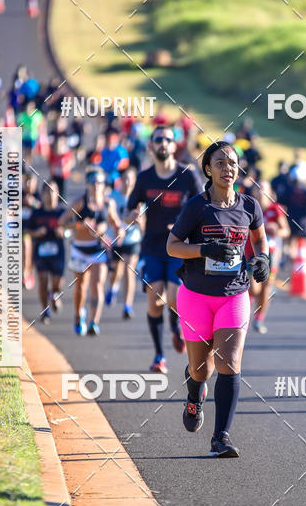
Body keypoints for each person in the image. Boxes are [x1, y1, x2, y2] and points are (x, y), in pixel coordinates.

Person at [167, 141, 269, 457]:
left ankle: (220, 437)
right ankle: (195, 392)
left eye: (233, 163)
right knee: (201, 369)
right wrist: (204, 250)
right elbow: (173, 246)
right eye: (221, 163)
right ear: (208, 169)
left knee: (229, 361)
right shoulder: (197, 207)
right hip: (196, 296)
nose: (228, 168)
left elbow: (260, 240)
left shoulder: (250, 206)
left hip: (234, 296)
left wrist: (263, 260)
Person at [126, 125, 203, 373]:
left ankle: (175, 328)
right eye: (158, 139)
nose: (162, 144)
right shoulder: (144, 177)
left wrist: (186, 225)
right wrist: (133, 216)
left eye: (167, 140)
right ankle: (160, 355)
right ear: (151, 146)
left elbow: (204, 207)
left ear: (174, 145)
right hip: (152, 247)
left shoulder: (188, 175)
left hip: (179, 247)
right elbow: (129, 209)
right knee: (154, 298)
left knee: (173, 297)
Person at [60, 167, 112, 336]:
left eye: (100, 182)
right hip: (80, 249)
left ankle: (93, 322)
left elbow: (116, 223)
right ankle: (78, 315)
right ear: (87, 184)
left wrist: (117, 231)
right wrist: (79, 226)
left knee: (97, 285)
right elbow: (62, 222)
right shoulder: (80, 202)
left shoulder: (107, 203)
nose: (97, 186)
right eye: (93, 182)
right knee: (81, 287)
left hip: (98, 251)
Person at [247, 180, 290, 334]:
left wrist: (276, 230)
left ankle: (259, 318)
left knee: (266, 287)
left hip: (270, 254)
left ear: (269, 192)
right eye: (257, 189)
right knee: (253, 287)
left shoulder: (275, 209)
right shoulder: (248, 208)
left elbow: (286, 231)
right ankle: (248, 306)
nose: (260, 192)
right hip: (251, 252)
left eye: (263, 189)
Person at [106, 166, 142, 318]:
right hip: (116, 240)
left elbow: (144, 223)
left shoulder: (139, 199)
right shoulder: (113, 197)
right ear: (121, 181)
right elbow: (108, 216)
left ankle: (128, 305)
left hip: (132, 240)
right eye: (125, 179)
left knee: (129, 270)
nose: (128, 182)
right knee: (116, 271)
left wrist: (140, 222)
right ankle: (113, 287)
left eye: (131, 179)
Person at [29, 181, 65, 323]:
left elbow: (71, 228)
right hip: (41, 251)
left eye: (53, 191)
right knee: (42, 280)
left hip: (57, 252)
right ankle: (45, 311)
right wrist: (36, 233)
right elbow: (27, 230)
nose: (50, 195)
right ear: (42, 194)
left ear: (57, 193)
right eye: (47, 191)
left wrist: (64, 232)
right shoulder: (37, 212)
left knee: (57, 284)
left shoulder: (62, 212)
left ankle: (54, 294)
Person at [22, 172, 42, 290]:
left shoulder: (37, 195)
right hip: (23, 230)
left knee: (33, 255)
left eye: (31, 182)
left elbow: (43, 207)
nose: (29, 185)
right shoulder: (19, 195)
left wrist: (33, 203)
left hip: (36, 230)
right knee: (25, 248)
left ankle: (29, 272)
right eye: (27, 182)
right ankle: (25, 274)